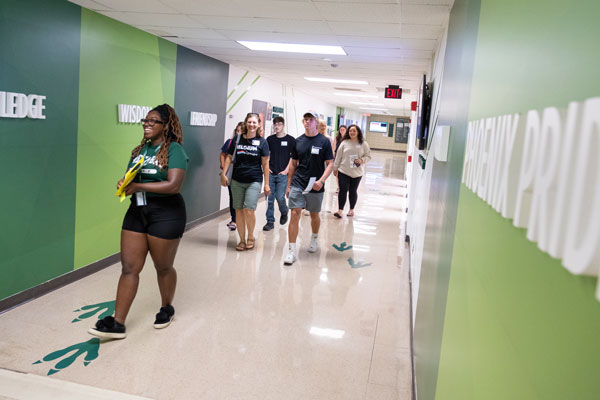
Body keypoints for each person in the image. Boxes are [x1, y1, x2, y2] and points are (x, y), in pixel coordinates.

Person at [89, 104, 188, 339]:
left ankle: (167, 307)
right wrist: (124, 183)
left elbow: (173, 185)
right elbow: (131, 177)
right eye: (146, 120)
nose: (147, 124)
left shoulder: (174, 150)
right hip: (138, 210)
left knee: (163, 267)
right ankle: (118, 323)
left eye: (153, 121)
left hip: (166, 213)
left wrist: (138, 186)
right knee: (129, 267)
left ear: (166, 126)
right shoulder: (140, 150)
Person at [284, 111, 334, 265]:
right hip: (298, 183)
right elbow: (293, 164)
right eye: (305, 119)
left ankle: (314, 238)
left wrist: (322, 180)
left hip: (315, 185)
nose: (307, 122)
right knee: (294, 213)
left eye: (310, 120)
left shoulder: (324, 141)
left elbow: (330, 164)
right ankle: (291, 251)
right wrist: (288, 185)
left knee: (314, 215)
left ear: (316, 122)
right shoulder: (298, 141)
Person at [221, 113, 270, 251]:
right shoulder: (237, 139)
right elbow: (229, 158)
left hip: (254, 180)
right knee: (239, 211)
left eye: (254, 122)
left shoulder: (262, 142)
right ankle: (241, 240)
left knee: (249, 210)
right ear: (246, 123)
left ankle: (250, 236)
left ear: (259, 124)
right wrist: (223, 174)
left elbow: (265, 165)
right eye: (249, 122)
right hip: (237, 180)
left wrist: (266, 184)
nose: (252, 125)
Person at [263, 116, 295, 231]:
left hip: (283, 174)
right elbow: (266, 155)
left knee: (280, 197)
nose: (277, 126)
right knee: (269, 197)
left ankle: (284, 211)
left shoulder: (291, 140)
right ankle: (270, 221)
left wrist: (287, 170)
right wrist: (267, 168)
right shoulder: (270, 139)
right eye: (275, 124)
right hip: (271, 173)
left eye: (279, 124)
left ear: (283, 125)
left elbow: (293, 157)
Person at [333, 124, 371, 218]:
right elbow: (338, 156)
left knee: (353, 191)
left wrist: (362, 160)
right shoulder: (344, 142)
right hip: (343, 170)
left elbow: (368, 156)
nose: (352, 132)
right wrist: (335, 168)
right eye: (350, 131)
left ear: (358, 132)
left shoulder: (363, 143)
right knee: (342, 190)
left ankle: (351, 210)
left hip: (357, 172)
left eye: (354, 131)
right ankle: (340, 210)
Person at [220, 122, 244, 231]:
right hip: (231, 172)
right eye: (237, 130)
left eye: (241, 131)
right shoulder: (230, 142)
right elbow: (223, 154)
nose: (239, 133)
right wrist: (223, 166)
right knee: (233, 197)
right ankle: (234, 219)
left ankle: (240, 219)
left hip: (243, 174)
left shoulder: (247, 143)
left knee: (242, 199)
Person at [332, 125, 347, 193]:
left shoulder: (347, 139)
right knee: (337, 174)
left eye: (343, 129)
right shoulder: (337, 138)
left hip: (345, 158)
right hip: (337, 157)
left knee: (343, 173)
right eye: (341, 129)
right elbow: (333, 147)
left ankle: (343, 187)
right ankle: (338, 187)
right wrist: (332, 156)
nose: (342, 131)